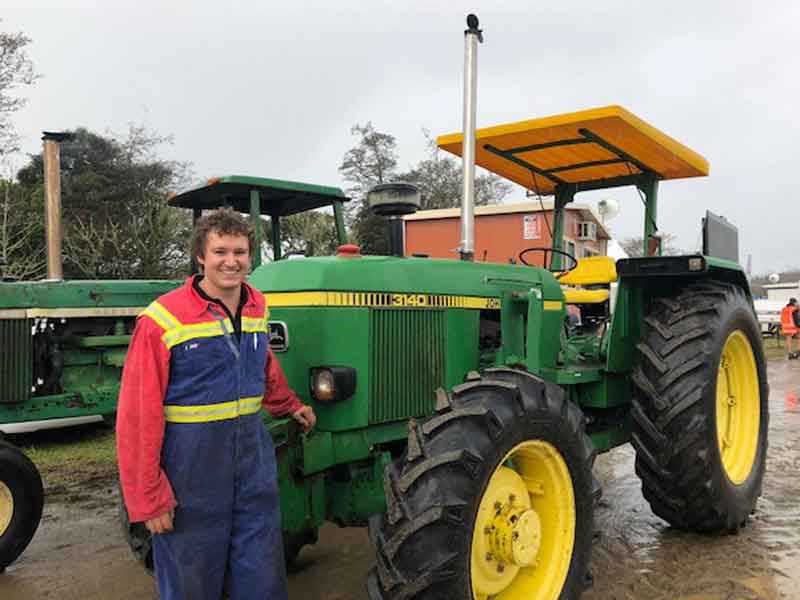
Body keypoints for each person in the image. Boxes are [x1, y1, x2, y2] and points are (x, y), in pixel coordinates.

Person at [116, 208, 316, 600]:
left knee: (261, 577)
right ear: (200, 257)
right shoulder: (162, 319)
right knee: (192, 583)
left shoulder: (257, 306)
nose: (231, 261)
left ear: (250, 256)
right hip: (191, 470)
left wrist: (288, 404)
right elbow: (138, 414)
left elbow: (262, 364)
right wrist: (149, 497)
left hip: (253, 462)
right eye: (220, 251)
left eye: (239, 252)